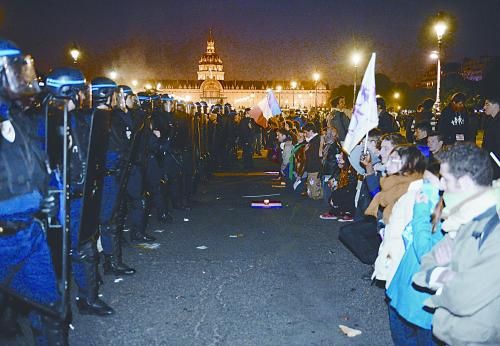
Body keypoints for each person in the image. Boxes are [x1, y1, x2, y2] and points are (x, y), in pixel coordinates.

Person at [0, 39, 68, 344]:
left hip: (29, 232)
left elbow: (37, 163)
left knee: (52, 309)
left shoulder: (18, 119)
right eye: (17, 72)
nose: (25, 79)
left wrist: (48, 193)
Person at [413, 143, 499, 346]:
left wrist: (438, 275)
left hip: (478, 338)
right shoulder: (464, 218)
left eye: (447, 179)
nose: (441, 185)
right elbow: (427, 262)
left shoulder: (493, 225)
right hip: (455, 333)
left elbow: (463, 298)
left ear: (466, 183)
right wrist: (447, 276)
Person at [386, 162, 443, 346]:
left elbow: (426, 254)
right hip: (403, 291)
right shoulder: (429, 208)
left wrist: (420, 212)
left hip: (422, 307)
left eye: (428, 182)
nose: (423, 187)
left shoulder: (450, 220)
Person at [366, 145, 426, 286]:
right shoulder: (395, 188)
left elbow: (409, 238)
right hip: (392, 259)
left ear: (409, 164)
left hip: (402, 266)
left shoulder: (412, 194)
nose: (387, 163)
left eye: (393, 160)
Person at [303, 122, 322, 199]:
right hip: (312, 168)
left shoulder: (315, 140)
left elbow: (313, 156)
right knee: (311, 186)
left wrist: (306, 151)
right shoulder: (312, 140)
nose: (305, 134)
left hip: (314, 168)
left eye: (305, 132)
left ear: (311, 131)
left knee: (314, 188)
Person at [483, 96, 500, 179]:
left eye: (487, 104)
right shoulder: (490, 120)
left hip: (496, 161)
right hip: (492, 161)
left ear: (496, 105)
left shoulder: (497, 122)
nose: (484, 107)